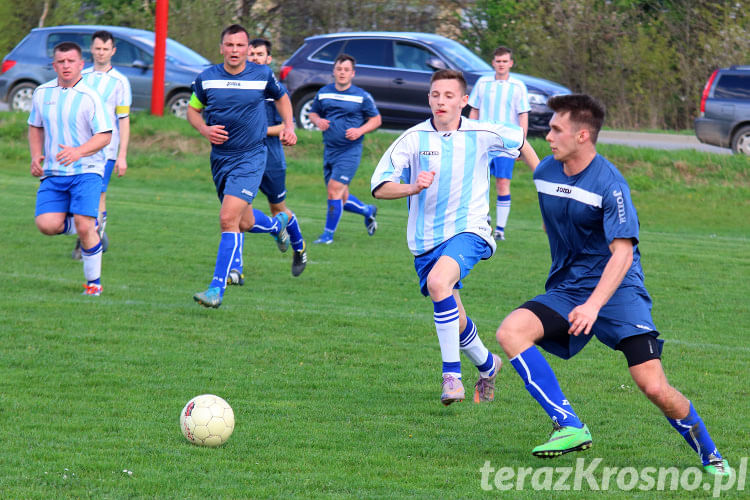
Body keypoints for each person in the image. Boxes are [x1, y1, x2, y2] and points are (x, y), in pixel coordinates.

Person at [495, 94, 731, 475]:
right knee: (511, 331)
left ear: (583, 135)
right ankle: (569, 424)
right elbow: (552, 218)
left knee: (653, 386)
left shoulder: (611, 185)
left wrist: (593, 305)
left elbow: (622, 254)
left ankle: (709, 453)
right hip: (570, 287)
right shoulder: (545, 175)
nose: (548, 135)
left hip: (619, 290)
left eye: (556, 129)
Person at [371, 69, 539, 405]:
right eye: (435, 95)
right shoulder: (412, 139)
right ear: (429, 98)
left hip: (470, 229)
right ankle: (488, 364)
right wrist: (413, 186)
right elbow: (379, 187)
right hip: (425, 240)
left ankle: (452, 378)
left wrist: (549, 191)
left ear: (464, 101)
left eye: (449, 96)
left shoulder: (481, 132)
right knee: (451, 307)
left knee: (438, 283)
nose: (441, 101)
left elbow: (521, 142)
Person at [187, 24, 296, 308]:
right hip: (221, 159)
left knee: (227, 219)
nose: (234, 50)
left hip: (251, 157)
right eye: (229, 45)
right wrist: (204, 130)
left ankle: (216, 289)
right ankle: (276, 225)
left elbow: (282, 96)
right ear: (221, 47)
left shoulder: (261, 75)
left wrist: (289, 126)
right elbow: (192, 109)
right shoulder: (207, 78)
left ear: (248, 49)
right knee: (244, 222)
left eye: (240, 46)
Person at [28, 41, 113, 296]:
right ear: (54, 65)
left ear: (81, 64)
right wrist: (35, 156)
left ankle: (93, 285)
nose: (66, 66)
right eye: (61, 62)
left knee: (85, 226)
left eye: (70, 61)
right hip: (54, 172)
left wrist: (78, 151)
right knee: (46, 224)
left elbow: (105, 136)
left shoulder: (90, 96)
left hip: (87, 170)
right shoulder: (42, 93)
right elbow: (35, 126)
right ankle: (88, 225)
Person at [247, 38, 307, 277]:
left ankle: (299, 247)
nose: (254, 58)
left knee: (277, 208)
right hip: (245, 156)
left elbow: (286, 124)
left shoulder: (276, 90)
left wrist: (257, 130)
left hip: (271, 156)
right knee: (240, 212)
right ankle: (235, 270)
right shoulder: (240, 86)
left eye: (259, 54)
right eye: (251, 53)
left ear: (268, 59)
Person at [309, 54, 382, 245]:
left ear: (353, 73)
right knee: (341, 197)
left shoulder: (362, 96)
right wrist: (318, 120)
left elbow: (376, 119)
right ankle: (368, 211)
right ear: (334, 71)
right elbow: (313, 112)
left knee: (334, 191)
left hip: (350, 151)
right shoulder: (324, 92)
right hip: (330, 150)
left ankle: (327, 236)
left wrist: (360, 131)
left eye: (346, 70)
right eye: (339, 69)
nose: (342, 73)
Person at [72, 30, 132, 260]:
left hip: (106, 149)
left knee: (98, 193)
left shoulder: (120, 82)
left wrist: (123, 155)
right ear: (91, 50)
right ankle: (90, 234)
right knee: (79, 191)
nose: (101, 53)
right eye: (97, 48)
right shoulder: (82, 76)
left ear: (113, 51)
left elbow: (123, 120)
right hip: (81, 146)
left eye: (105, 49)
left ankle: (90, 240)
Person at [468, 46, 531, 241]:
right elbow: (474, 110)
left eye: (505, 61)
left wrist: (521, 143)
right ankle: (483, 220)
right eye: (498, 61)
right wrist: (471, 135)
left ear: (510, 63)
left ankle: (500, 229)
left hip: (506, 144)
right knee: (480, 181)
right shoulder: (483, 83)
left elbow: (523, 116)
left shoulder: (518, 86)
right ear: (493, 63)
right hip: (484, 143)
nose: (501, 64)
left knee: (502, 183)